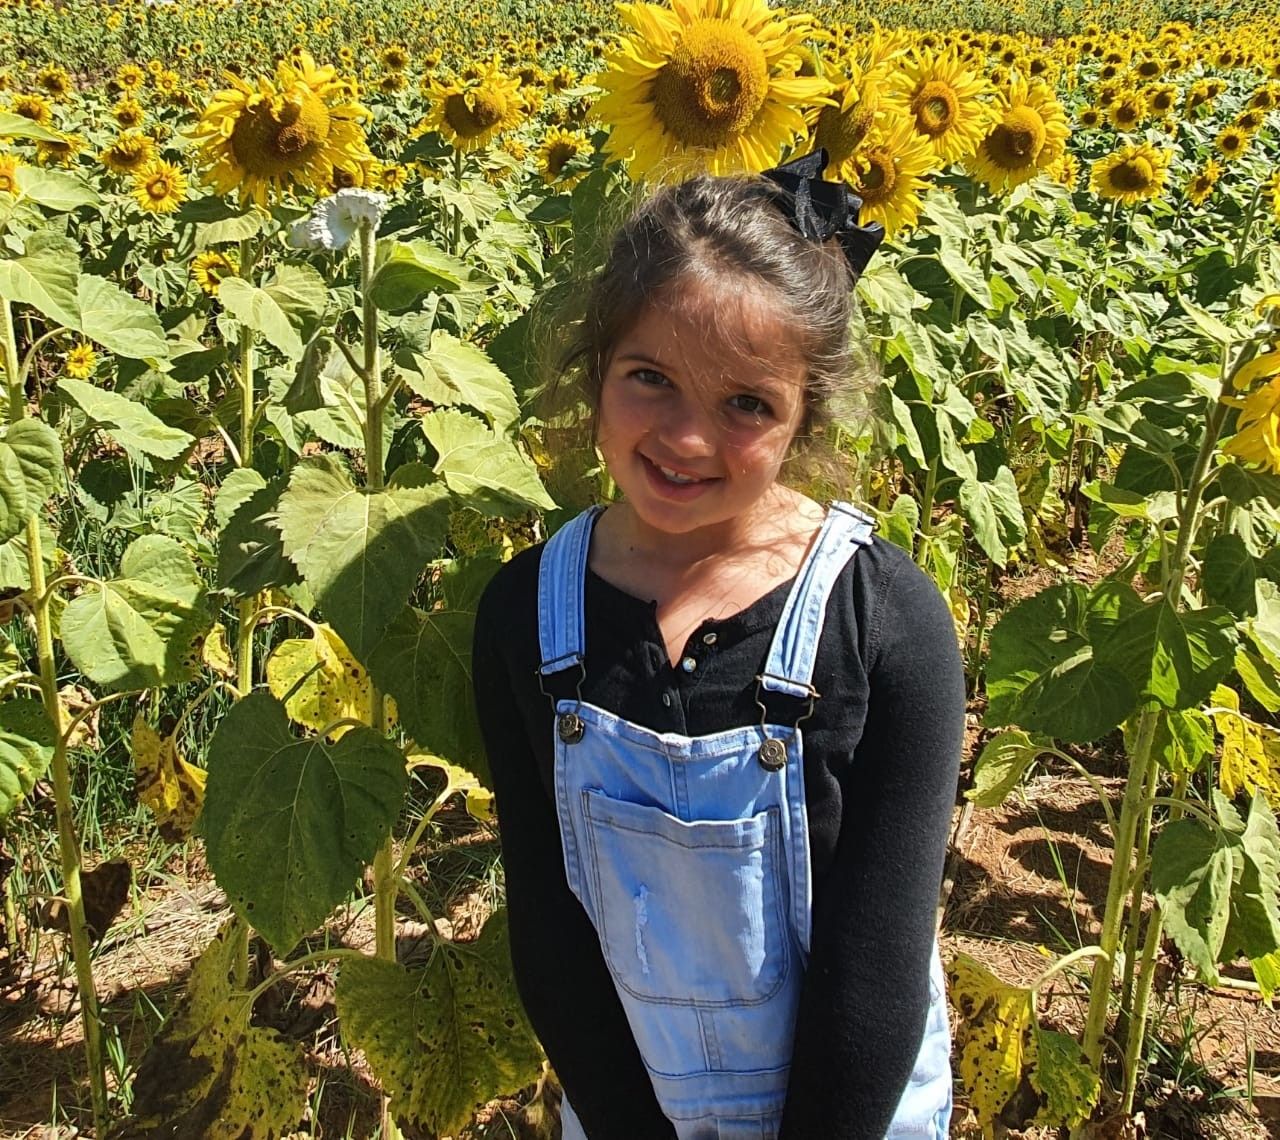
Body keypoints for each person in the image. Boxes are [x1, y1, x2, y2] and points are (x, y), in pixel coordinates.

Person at [471, 149, 965, 1140]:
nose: (686, 439)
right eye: (650, 378)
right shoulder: (525, 614)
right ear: (595, 370)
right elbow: (550, 933)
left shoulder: (884, 624)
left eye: (745, 404)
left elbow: (873, 967)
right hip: (626, 1107)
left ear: (803, 418)